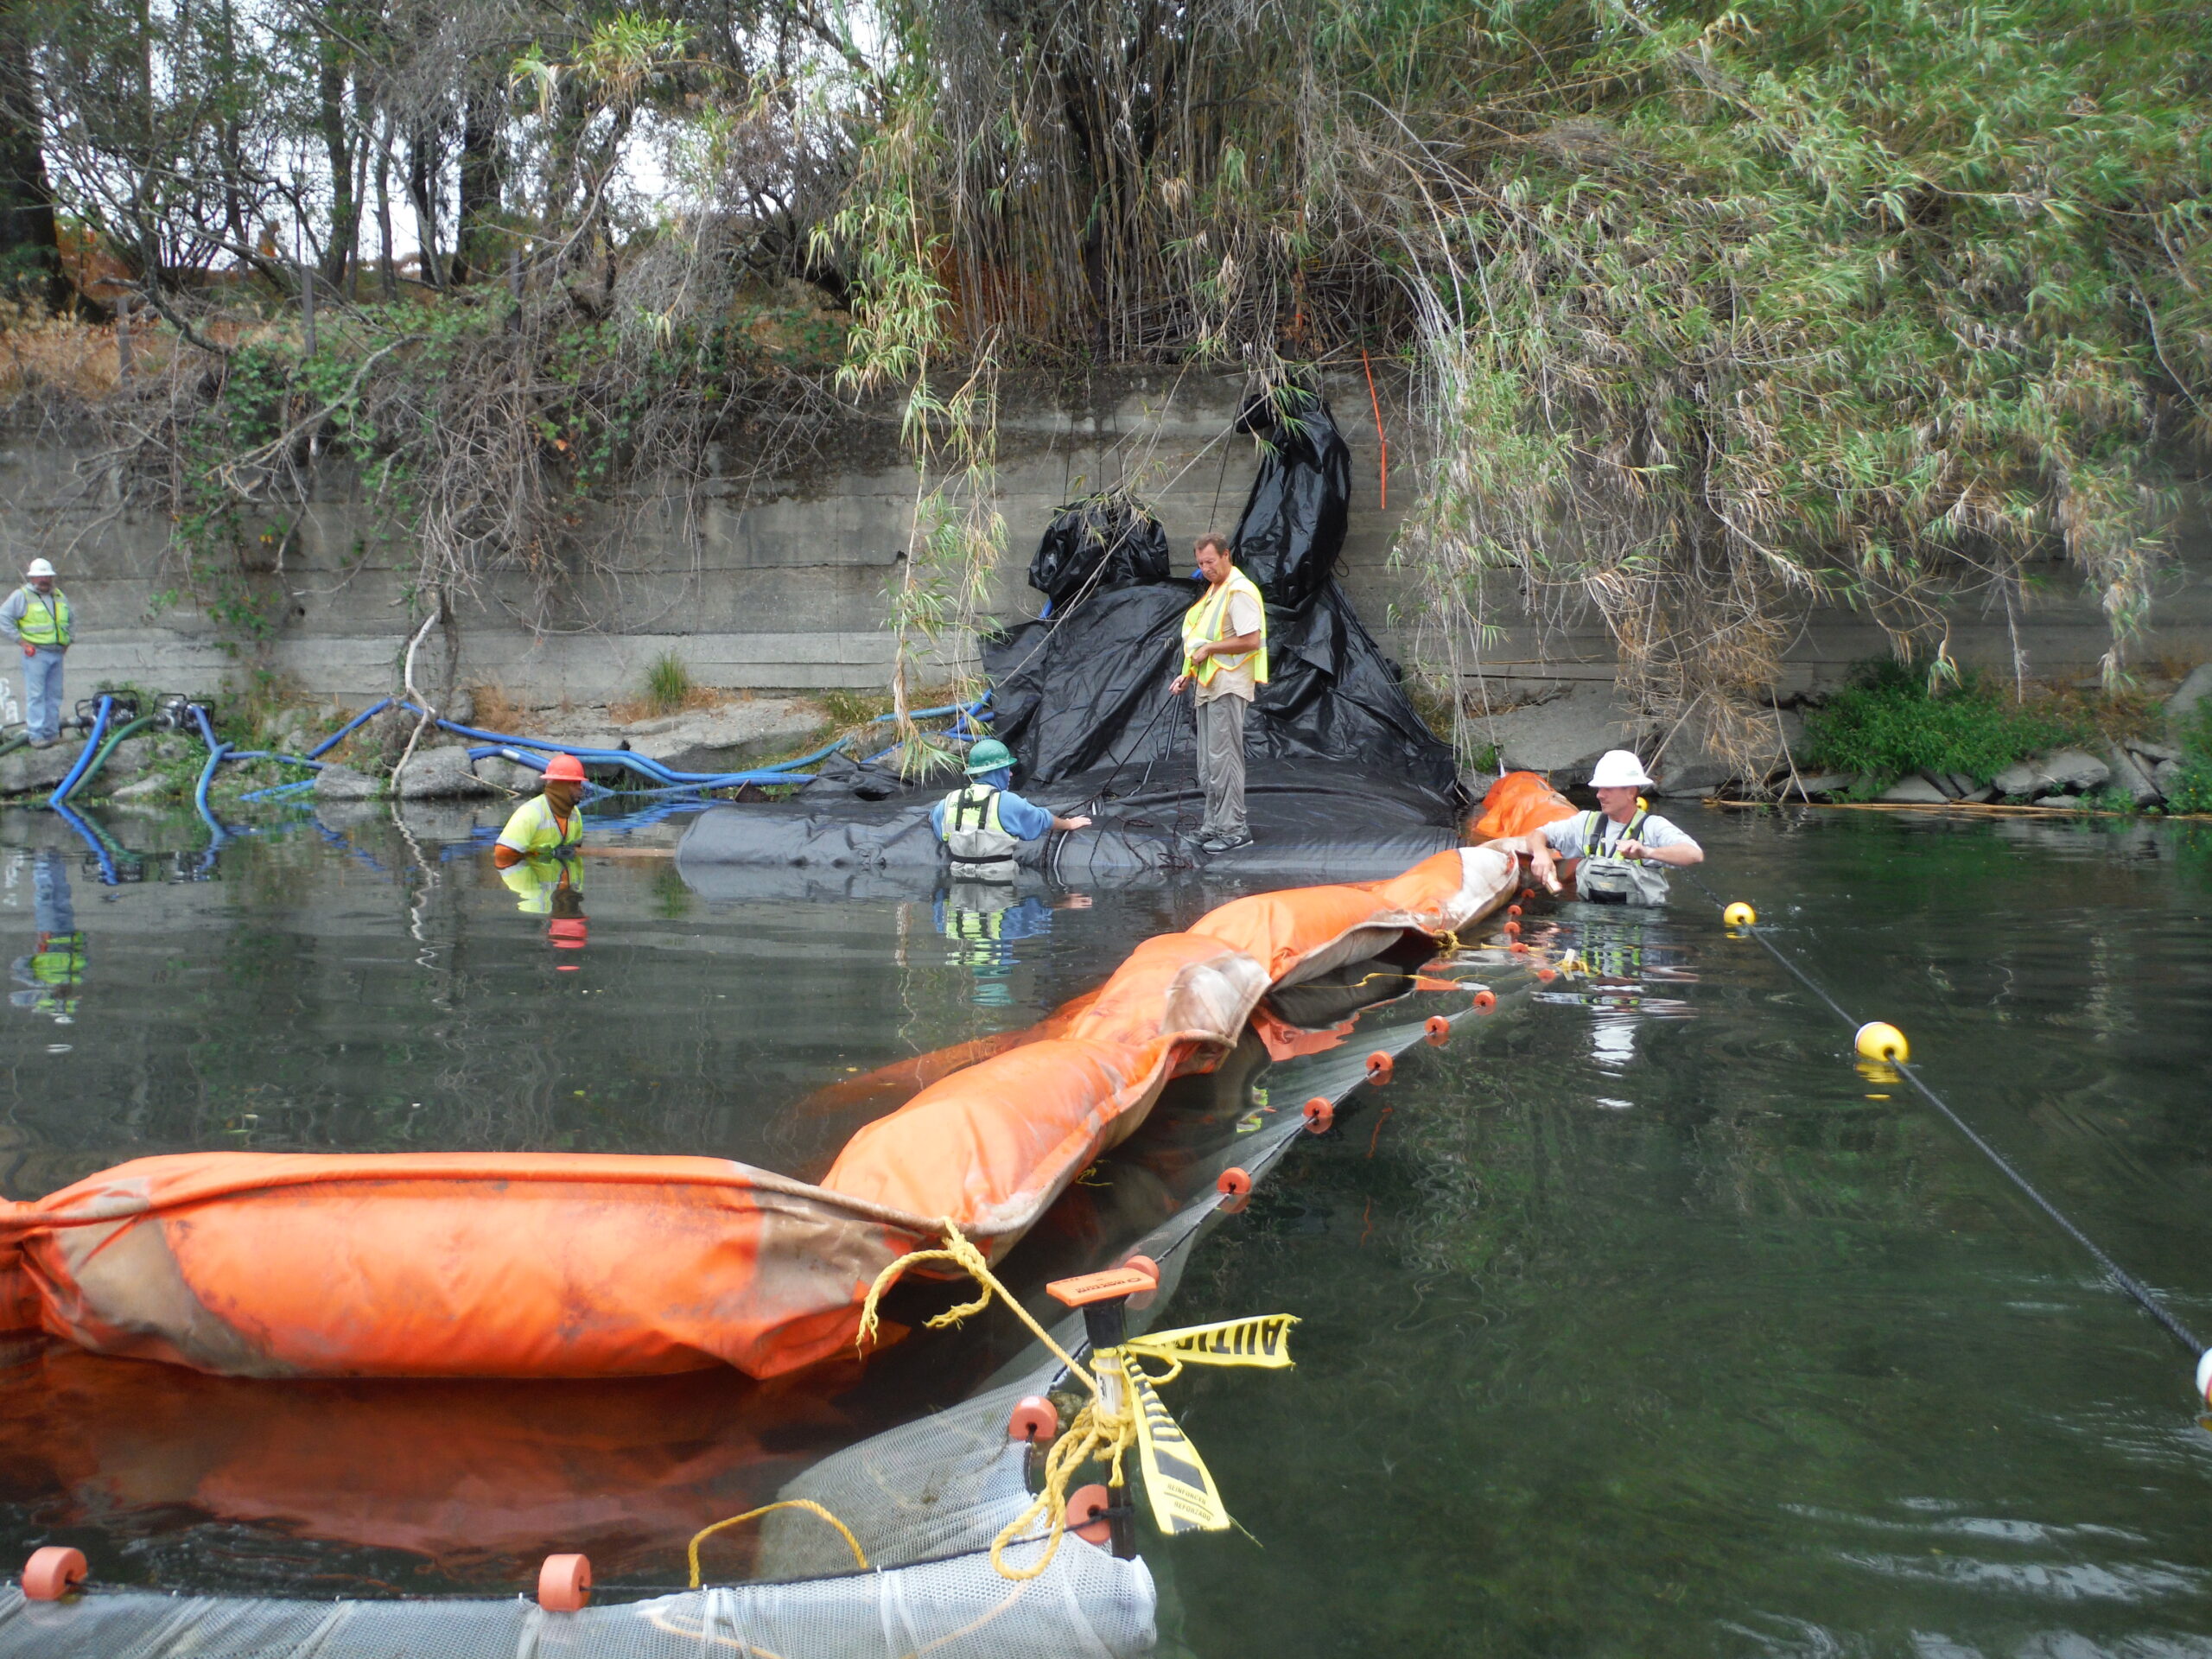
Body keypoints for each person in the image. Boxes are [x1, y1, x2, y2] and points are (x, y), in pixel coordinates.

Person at [1167, 533, 1267, 854]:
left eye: (1210, 561)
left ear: (1226, 556)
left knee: (1225, 759)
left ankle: (1235, 829)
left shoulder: (1239, 591)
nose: (1206, 568)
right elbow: (1200, 639)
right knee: (1209, 763)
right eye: (1200, 564)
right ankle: (1213, 826)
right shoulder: (1214, 592)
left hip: (1229, 683)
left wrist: (1209, 649)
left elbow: (1251, 640)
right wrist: (1187, 674)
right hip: (1208, 683)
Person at [1522, 750, 1704, 905]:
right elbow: (1537, 834)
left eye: (1608, 789)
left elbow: (1694, 854)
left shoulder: (1653, 827)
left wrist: (1647, 852)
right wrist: (1540, 853)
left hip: (1643, 928)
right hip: (1591, 921)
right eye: (1599, 788)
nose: (1600, 795)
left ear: (1630, 792)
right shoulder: (1585, 822)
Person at [931, 738, 1091, 879]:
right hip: (999, 886)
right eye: (1007, 769)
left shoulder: (949, 801)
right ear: (998, 771)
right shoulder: (1007, 802)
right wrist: (1068, 824)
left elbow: (936, 823)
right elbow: (1043, 819)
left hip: (959, 886)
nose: (1011, 775)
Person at [1, 559, 73, 747]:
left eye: (47, 576)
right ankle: (36, 736)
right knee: (36, 695)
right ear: (32, 578)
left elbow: (71, 620)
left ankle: (51, 734)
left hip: (56, 653)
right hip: (36, 653)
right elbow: (3, 618)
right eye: (40, 576)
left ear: (51, 577)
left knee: (54, 695)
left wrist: (68, 640)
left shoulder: (58, 596)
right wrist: (21, 642)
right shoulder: (21, 596)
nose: (44, 580)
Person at [494, 752, 586, 869]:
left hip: (563, 884)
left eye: (580, 783)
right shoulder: (530, 813)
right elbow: (502, 855)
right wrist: (538, 856)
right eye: (575, 783)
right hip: (531, 882)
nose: (581, 788)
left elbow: (575, 851)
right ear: (560, 786)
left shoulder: (575, 814)